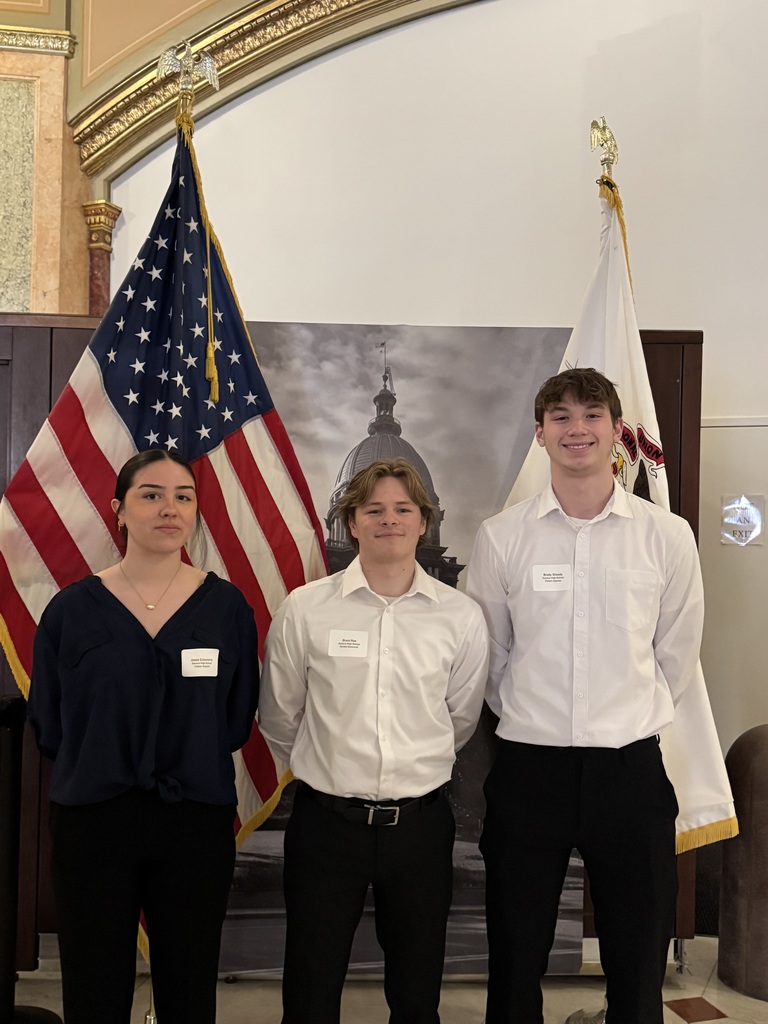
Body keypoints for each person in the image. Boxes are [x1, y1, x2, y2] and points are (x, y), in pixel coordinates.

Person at [466, 368, 705, 1024]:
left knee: (636, 964)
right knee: (515, 960)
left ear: (616, 432)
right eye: (562, 417)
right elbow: (491, 655)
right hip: (528, 773)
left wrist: (625, 712)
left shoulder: (666, 536)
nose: (578, 429)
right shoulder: (502, 537)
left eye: (592, 415)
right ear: (540, 434)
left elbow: (675, 656)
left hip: (629, 773)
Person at [27, 449, 259, 1024]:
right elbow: (50, 720)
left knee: (189, 981)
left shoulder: (228, 608)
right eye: (150, 495)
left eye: (183, 496)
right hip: (95, 821)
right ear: (119, 511)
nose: (169, 508)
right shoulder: (71, 610)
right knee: (94, 983)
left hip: (194, 822)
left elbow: (235, 717)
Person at [258, 457, 489, 1024]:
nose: (390, 519)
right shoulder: (305, 610)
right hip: (326, 827)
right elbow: (281, 716)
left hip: (419, 829)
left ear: (424, 522)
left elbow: (458, 719)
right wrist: (334, 766)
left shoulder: (460, 618)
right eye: (374, 509)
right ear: (351, 522)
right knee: (311, 988)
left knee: (416, 992)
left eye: (403, 509)